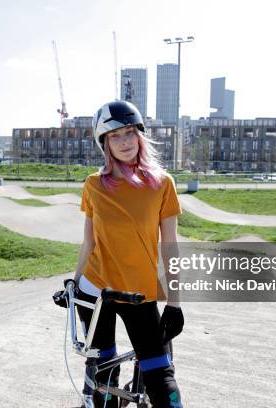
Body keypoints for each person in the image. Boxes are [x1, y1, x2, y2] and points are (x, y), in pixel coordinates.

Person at [73, 100, 184, 408]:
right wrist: (73, 283)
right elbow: (88, 243)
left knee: (161, 381)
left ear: (140, 135)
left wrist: (174, 303)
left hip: (140, 295)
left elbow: (170, 247)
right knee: (103, 379)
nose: (123, 142)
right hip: (96, 292)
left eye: (129, 133)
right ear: (104, 143)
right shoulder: (94, 185)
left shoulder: (163, 183)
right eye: (114, 136)